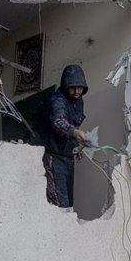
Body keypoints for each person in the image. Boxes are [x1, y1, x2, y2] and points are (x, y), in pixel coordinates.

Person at [42, 64, 91, 208]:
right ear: (65, 86)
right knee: (59, 205)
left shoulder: (79, 101)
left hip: (69, 158)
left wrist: (77, 146)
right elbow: (58, 121)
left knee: (69, 203)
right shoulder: (58, 100)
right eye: (72, 87)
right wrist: (76, 133)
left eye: (80, 87)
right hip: (55, 158)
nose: (77, 91)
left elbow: (74, 124)